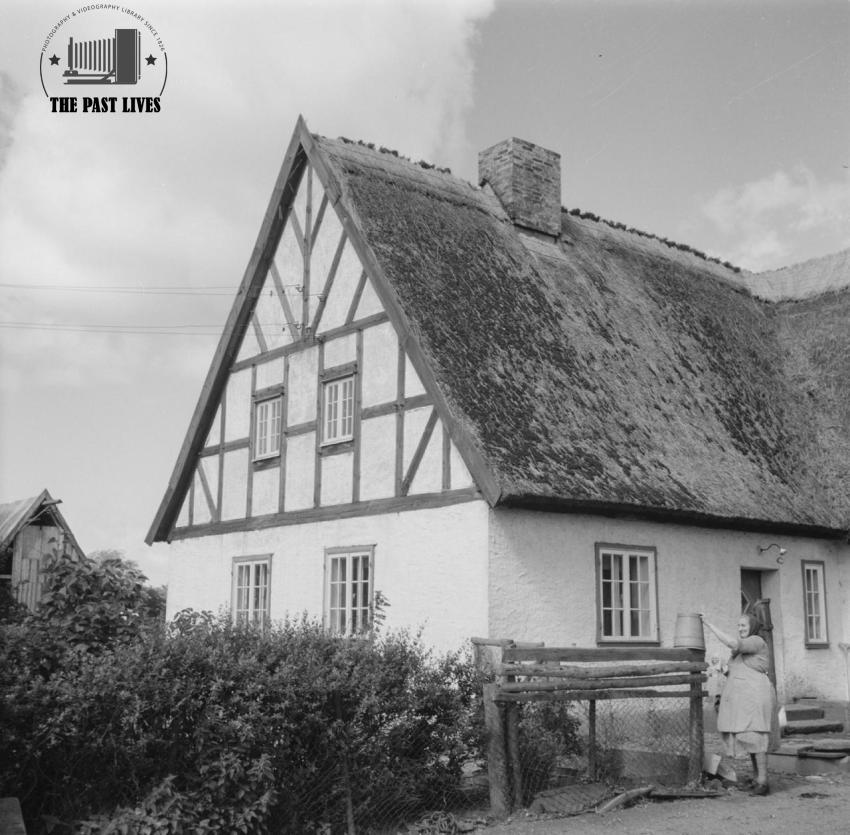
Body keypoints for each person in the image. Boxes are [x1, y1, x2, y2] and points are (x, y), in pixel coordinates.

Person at [699, 612, 775, 796]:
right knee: (749, 738)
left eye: (743, 625)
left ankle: (763, 783)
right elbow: (737, 672)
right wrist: (723, 669)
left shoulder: (756, 641)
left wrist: (709, 624)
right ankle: (757, 779)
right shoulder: (742, 651)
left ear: (753, 627)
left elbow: (732, 643)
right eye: (738, 625)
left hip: (755, 697)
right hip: (745, 699)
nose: (740, 628)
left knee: (756, 737)